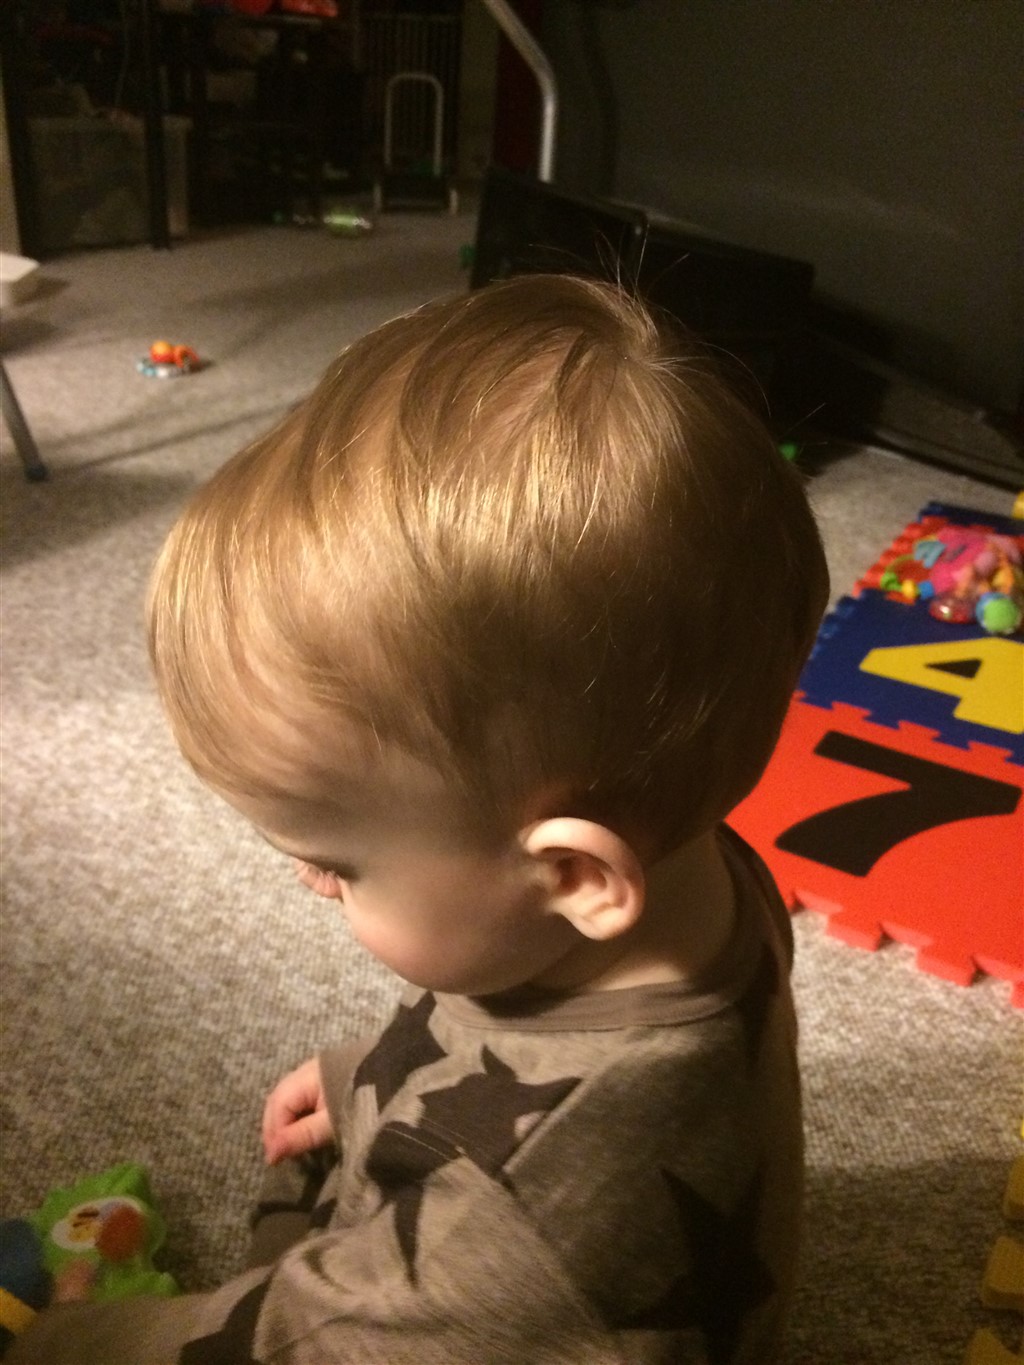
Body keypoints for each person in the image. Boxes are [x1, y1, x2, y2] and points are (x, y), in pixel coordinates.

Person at [9, 273, 829, 1364]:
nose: (311, 881)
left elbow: (287, 1344)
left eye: (339, 863)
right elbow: (505, 1022)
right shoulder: (690, 866)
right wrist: (366, 1079)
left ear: (574, 877)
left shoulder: (493, 1240)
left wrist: (69, 1338)